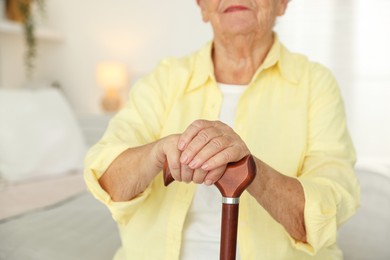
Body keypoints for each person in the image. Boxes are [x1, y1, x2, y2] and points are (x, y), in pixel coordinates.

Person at [84, 0, 360, 259]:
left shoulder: (316, 84)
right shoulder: (164, 78)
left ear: (283, 3)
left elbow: (326, 214)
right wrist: (156, 152)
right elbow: (108, 181)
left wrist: (249, 168)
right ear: (202, 6)